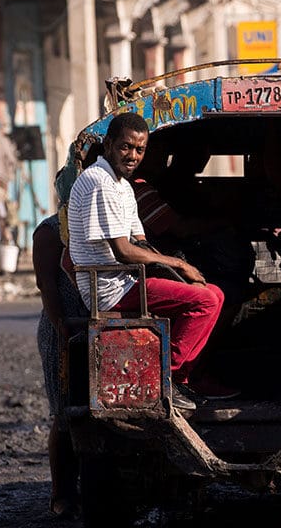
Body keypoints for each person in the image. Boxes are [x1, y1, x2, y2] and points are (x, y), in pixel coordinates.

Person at [67, 112, 228, 410]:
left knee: (214, 294)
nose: (132, 156)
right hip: (109, 289)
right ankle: (169, 376)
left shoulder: (123, 186)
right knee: (204, 302)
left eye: (139, 150)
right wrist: (179, 266)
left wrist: (173, 268)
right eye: (126, 147)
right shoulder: (99, 181)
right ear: (109, 144)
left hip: (128, 280)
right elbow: (123, 251)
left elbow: (141, 241)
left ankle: (183, 378)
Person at [33, 169, 86, 519]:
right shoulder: (51, 231)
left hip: (93, 328)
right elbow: (47, 286)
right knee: (64, 414)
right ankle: (61, 494)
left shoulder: (93, 222)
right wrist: (60, 325)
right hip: (62, 328)